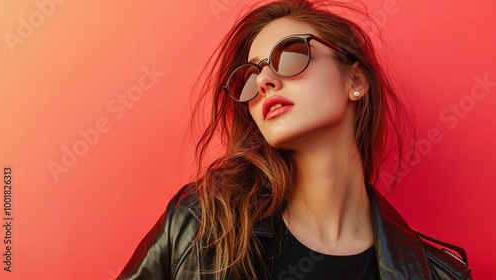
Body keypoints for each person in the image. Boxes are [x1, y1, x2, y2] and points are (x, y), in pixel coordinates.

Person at [117, 0, 471, 279]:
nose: (265, 81)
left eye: (290, 54)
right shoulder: (204, 221)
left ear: (355, 82)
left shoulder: (437, 275)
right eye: (250, 76)